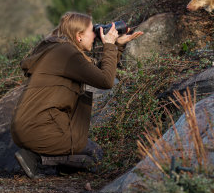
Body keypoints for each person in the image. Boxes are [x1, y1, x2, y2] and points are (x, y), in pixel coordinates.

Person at [11, 11, 143, 178]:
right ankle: (38, 159)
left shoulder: (61, 51)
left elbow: (98, 73)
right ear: (79, 36)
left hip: (30, 128)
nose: (96, 34)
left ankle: (49, 164)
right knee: (96, 156)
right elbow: (106, 81)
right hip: (39, 130)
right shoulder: (67, 53)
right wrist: (108, 45)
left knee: (90, 152)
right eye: (92, 31)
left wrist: (116, 45)